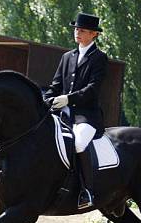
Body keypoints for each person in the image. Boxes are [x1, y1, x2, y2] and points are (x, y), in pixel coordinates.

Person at [43, 12, 108, 211]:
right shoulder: (67, 57)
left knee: (78, 143)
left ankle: (86, 190)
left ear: (94, 34)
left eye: (82, 30)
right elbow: (55, 85)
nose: (77, 33)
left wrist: (68, 99)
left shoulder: (99, 58)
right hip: (62, 115)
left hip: (86, 116)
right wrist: (46, 99)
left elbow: (92, 89)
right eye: (76, 29)